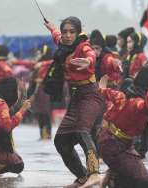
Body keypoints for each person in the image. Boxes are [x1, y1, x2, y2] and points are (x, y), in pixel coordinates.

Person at [43, 16, 104, 188]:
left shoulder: (83, 46)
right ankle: (83, 177)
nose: (68, 35)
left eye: (72, 32)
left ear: (78, 33)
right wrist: (52, 28)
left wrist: (89, 61)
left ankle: (94, 174)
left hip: (91, 95)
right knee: (61, 141)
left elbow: (90, 54)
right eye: (65, 32)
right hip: (76, 98)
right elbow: (56, 35)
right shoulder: (63, 43)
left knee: (82, 130)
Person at [98, 65, 148, 188]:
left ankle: (113, 176)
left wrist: (102, 84)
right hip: (113, 146)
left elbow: (103, 90)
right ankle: (113, 175)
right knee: (144, 182)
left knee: (130, 179)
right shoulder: (137, 103)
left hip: (120, 144)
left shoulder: (121, 96)